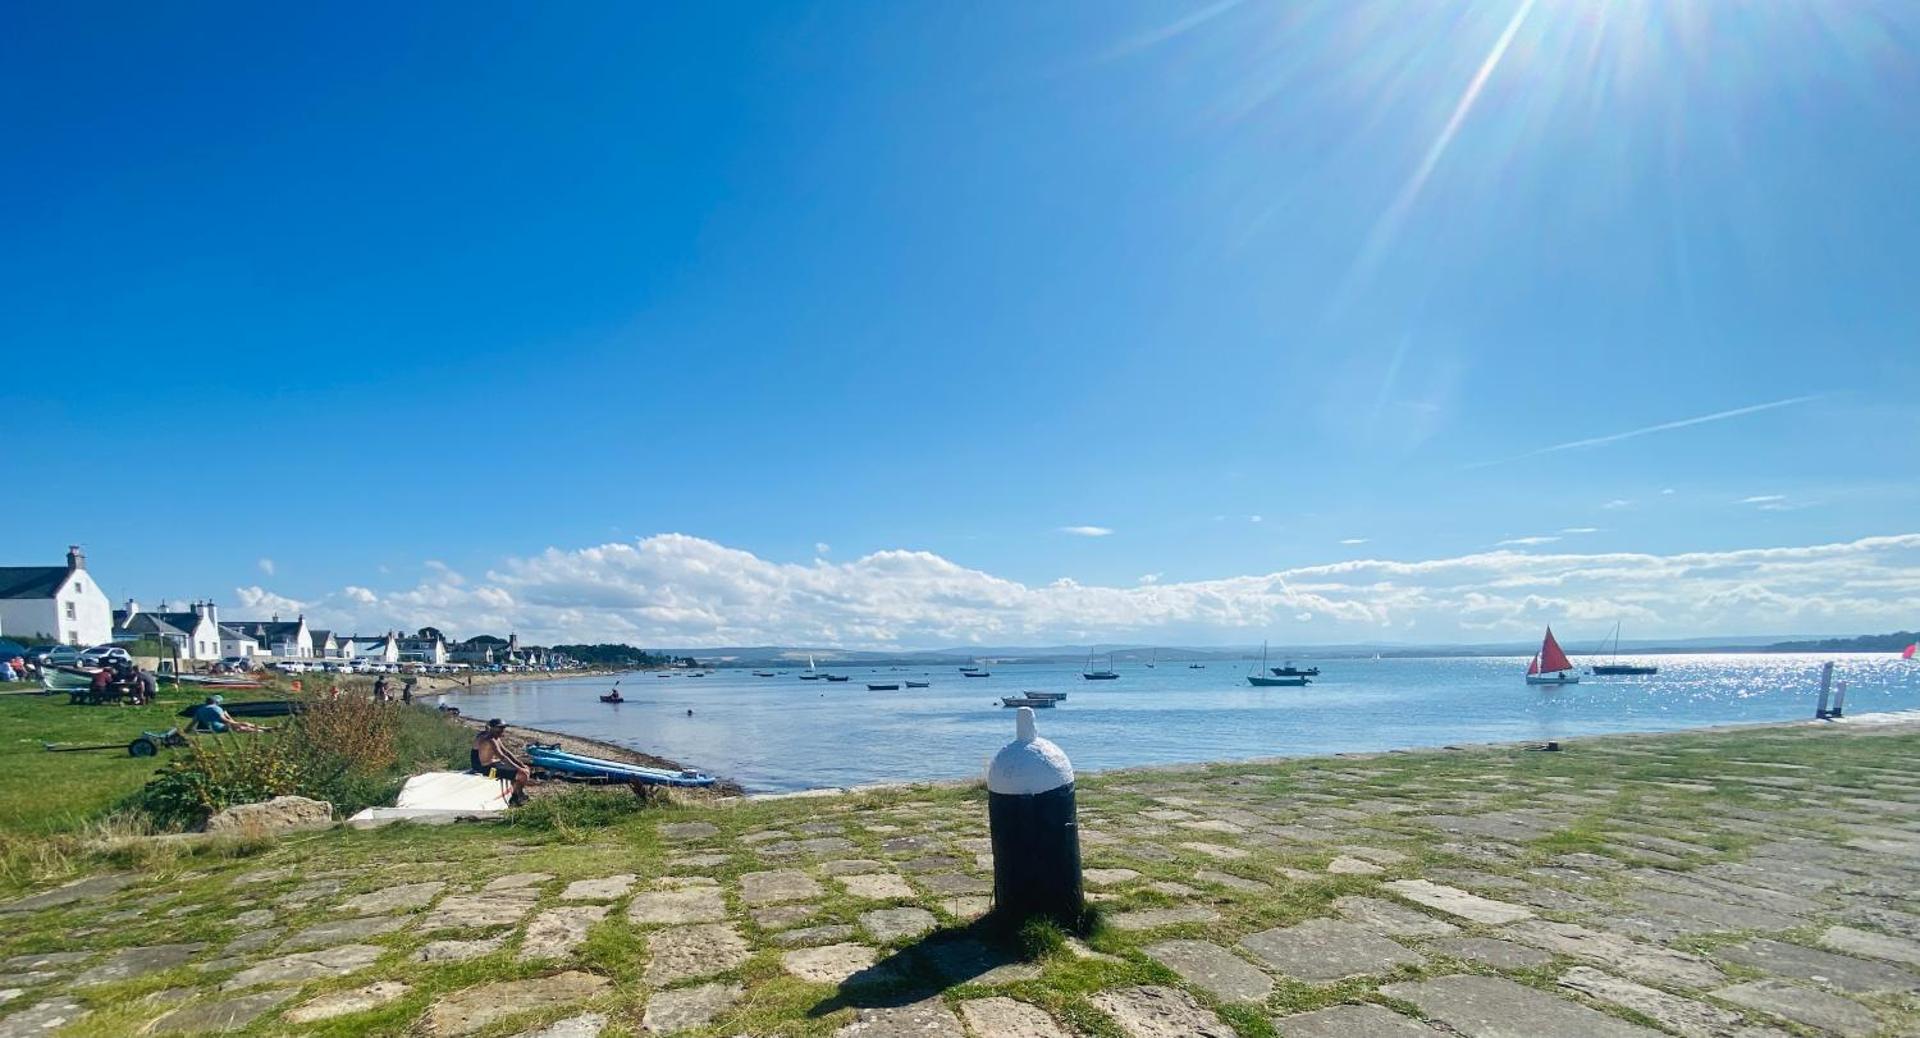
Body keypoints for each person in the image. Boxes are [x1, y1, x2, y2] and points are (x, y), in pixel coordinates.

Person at [473, 719, 530, 803]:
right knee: (522, 774)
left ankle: (517, 793)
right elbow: (502, 756)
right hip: (484, 767)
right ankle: (516, 797)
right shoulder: (490, 739)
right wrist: (518, 768)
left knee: (525, 770)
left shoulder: (496, 738)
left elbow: (507, 752)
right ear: (492, 728)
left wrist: (521, 764)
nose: (502, 730)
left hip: (491, 763)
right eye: (499, 728)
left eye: (503, 728)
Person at [192, 694, 264, 733]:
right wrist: (235, 723)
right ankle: (261, 730)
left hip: (211, 728)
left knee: (239, 726)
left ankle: (263, 729)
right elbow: (223, 719)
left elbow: (193, 723)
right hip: (219, 727)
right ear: (215, 702)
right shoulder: (216, 708)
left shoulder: (200, 710)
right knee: (240, 726)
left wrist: (185, 731)